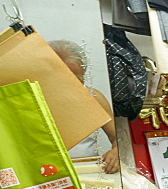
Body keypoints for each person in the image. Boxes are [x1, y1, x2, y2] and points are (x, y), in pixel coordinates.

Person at [48, 40, 120, 174]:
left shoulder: (93, 97)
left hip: (88, 174)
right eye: (64, 80)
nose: (72, 87)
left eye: (78, 81)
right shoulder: (29, 100)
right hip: (46, 179)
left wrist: (116, 153)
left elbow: (119, 138)